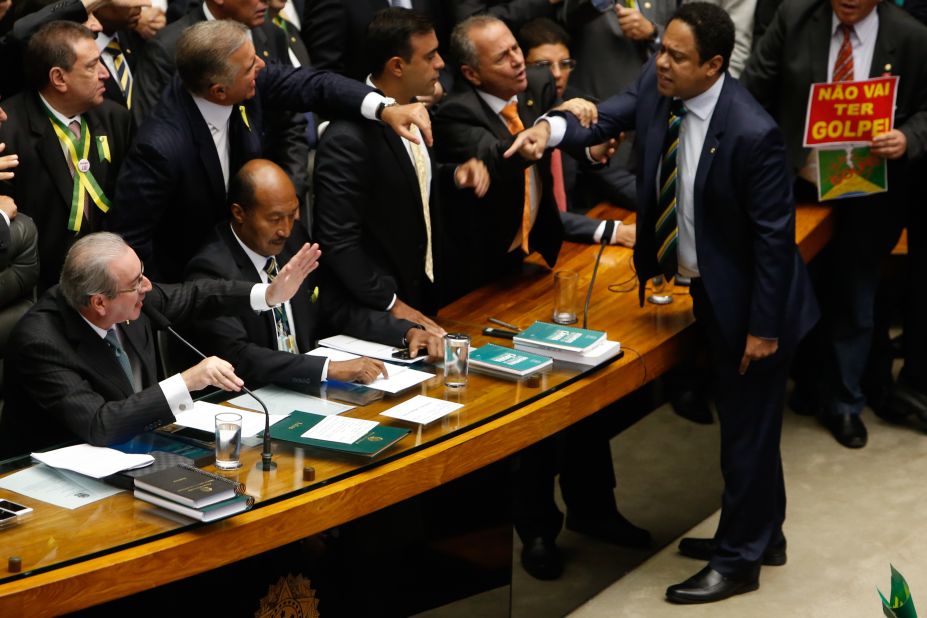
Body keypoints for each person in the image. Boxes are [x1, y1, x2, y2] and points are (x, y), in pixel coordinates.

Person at [510, 2, 818, 602]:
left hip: (761, 307)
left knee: (746, 436)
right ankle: (764, 535)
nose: (661, 62)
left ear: (714, 65)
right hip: (709, 291)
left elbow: (775, 244)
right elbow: (600, 122)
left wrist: (761, 330)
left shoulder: (752, 132)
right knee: (747, 428)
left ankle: (738, 561)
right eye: (661, 50)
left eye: (676, 55)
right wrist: (548, 128)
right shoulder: (659, 92)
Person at [108, 19, 433, 283]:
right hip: (190, 278)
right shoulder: (160, 148)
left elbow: (316, 85)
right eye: (251, 66)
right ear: (219, 90)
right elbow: (132, 241)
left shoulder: (239, 76)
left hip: (246, 264)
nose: (262, 66)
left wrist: (385, 108)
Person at [741, 0, 927, 448]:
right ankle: (805, 386)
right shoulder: (794, 17)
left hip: (870, 190)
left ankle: (845, 401)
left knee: (855, 296)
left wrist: (908, 137)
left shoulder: (911, 36)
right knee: (795, 289)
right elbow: (752, 90)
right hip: (797, 184)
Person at [0, 231, 320, 458]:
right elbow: (101, 423)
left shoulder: (129, 298)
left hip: (139, 452)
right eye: (137, 283)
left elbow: (196, 296)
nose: (147, 286)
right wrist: (187, 381)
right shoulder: (41, 343)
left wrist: (268, 295)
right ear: (99, 302)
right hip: (56, 481)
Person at [184, 159, 442, 388]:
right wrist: (327, 369)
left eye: (291, 214)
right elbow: (239, 357)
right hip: (254, 399)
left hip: (312, 390)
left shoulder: (294, 239)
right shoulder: (210, 271)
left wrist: (405, 332)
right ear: (239, 213)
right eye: (274, 219)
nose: (285, 229)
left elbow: (334, 307)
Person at [313, 8, 489, 325]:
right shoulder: (347, 138)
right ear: (397, 66)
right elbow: (338, 244)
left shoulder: (414, 109)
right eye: (431, 56)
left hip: (423, 297)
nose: (440, 64)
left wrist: (453, 175)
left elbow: (408, 182)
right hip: (376, 314)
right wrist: (392, 304)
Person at [0, 21, 134, 290]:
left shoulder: (115, 118)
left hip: (105, 278)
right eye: (92, 65)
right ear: (59, 78)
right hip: (43, 286)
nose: (105, 73)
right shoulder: (7, 130)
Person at [519, 16, 637, 243]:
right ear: (520, 63)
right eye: (543, 65)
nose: (556, 74)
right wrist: (614, 231)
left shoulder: (579, 105)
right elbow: (531, 212)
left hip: (572, 236)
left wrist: (667, 206)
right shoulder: (515, 116)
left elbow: (611, 178)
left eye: (565, 64)